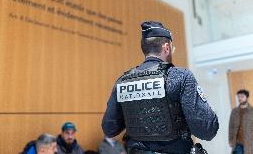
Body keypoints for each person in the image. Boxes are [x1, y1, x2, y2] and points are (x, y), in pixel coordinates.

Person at [101, 21, 219, 154]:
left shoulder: (122, 81)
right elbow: (206, 130)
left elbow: (109, 129)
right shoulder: (181, 77)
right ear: (166, 48)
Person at [229, 89, 253, 154]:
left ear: (247, 97)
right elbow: (231, 126)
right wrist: (230, 140)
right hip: (237, 143)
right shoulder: (234, 111)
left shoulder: (251, 111)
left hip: (249, 143)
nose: (240, 98)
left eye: (242, 96)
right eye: (238, 96)